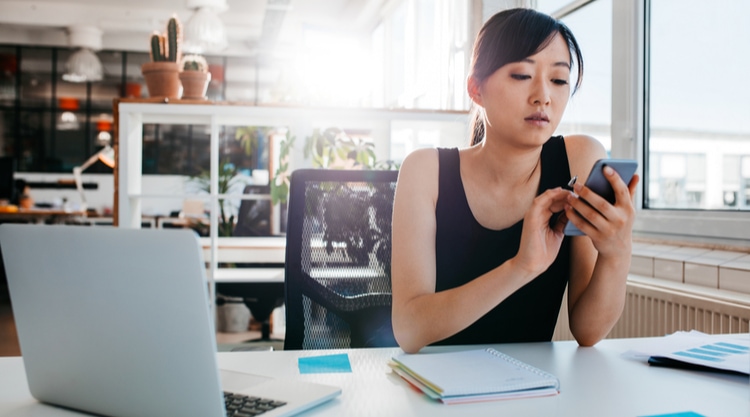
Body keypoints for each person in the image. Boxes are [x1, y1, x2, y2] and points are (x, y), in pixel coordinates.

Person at [391, 8, 639, 354]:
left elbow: (588, 330)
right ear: (476, 89)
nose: (543, 96)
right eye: (522, 75)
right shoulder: (425, 171)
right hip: (434, 391)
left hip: (532, 391)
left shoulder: (579, 159)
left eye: (558, 80)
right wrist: (521, 267)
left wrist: (617, 251)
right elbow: (409, 329)